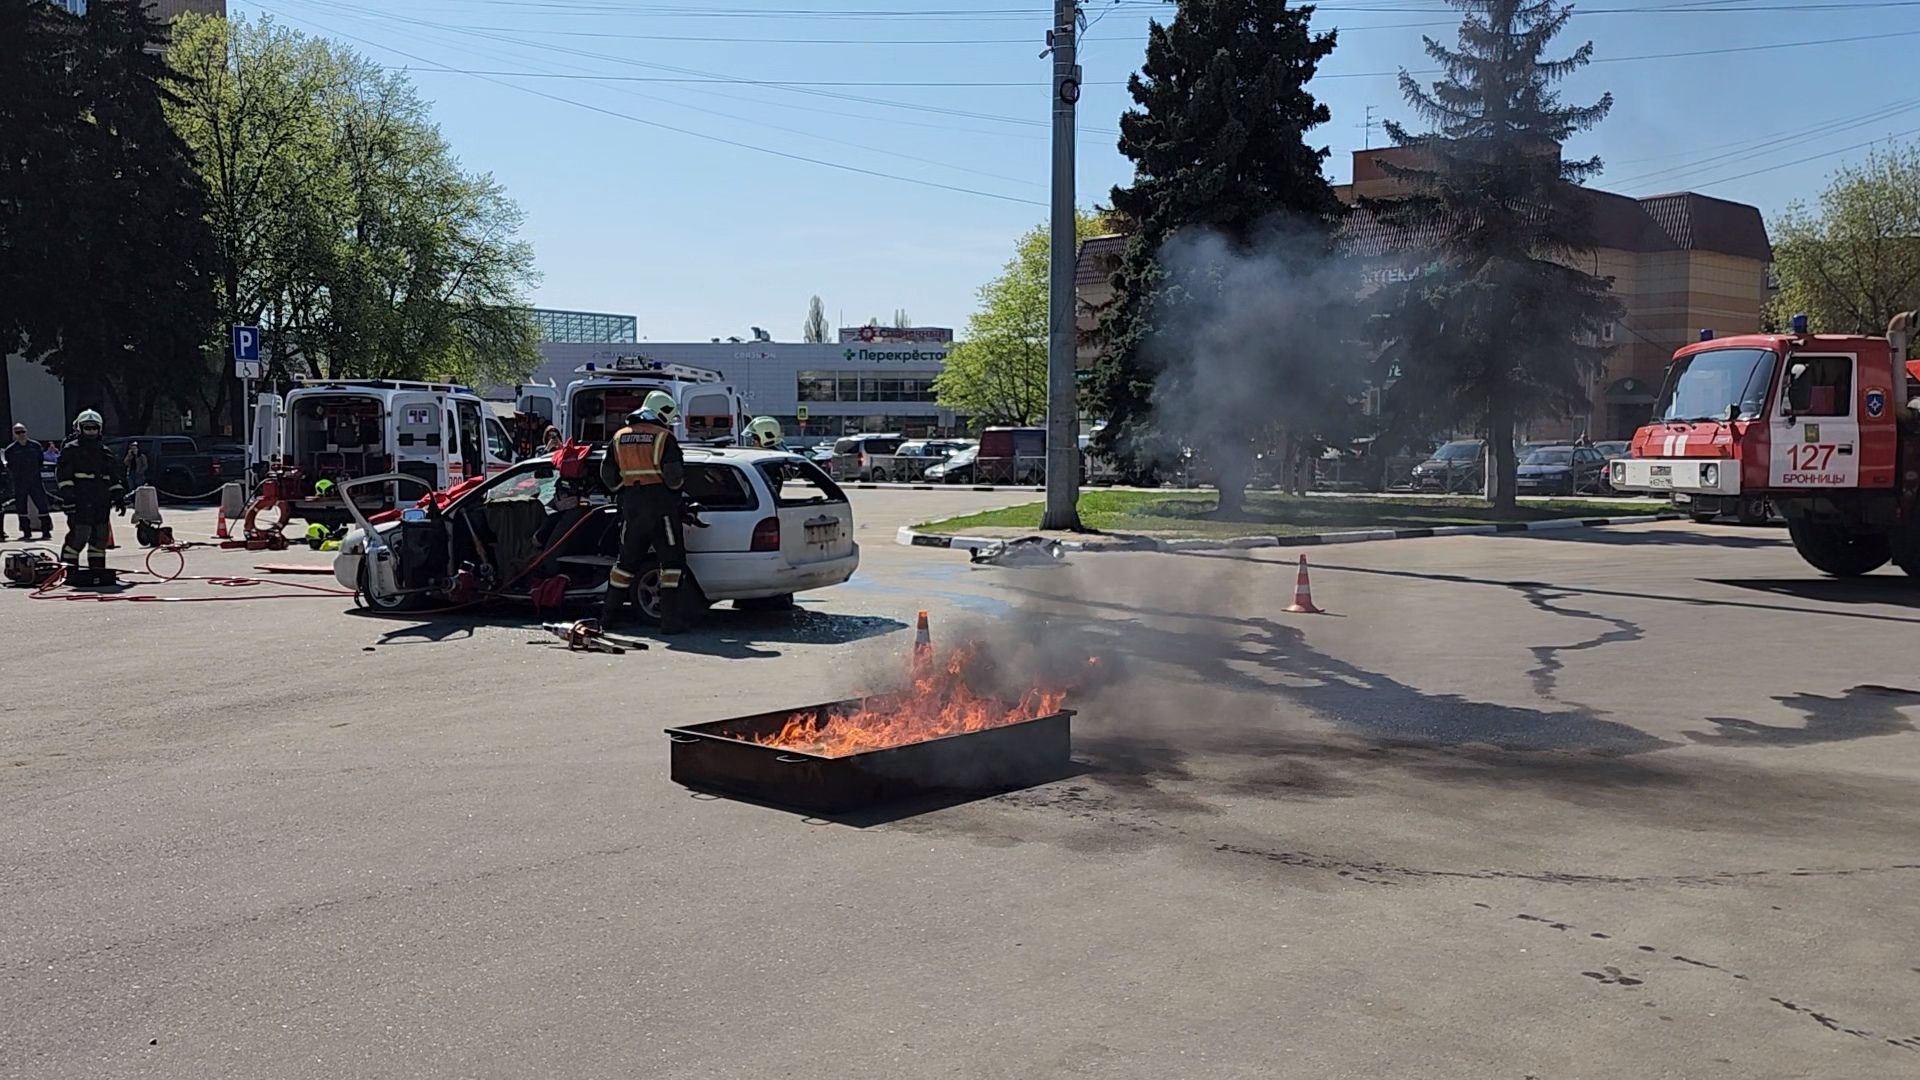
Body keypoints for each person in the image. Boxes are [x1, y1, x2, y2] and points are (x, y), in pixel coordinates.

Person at [598, 391, 689, 633]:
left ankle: (607, 618)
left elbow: (607, 474)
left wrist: (624, 490)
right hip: (661, 507)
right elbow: (674, 477)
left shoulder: (619, 437)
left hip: (632, 507)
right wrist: (675, 492)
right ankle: (670, 622)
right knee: (671, 564)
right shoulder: (663, 437)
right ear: (662, 413)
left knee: (624, 564)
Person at [56, 410, 126, 578]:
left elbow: (113, 477)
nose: (91, 431)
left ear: (99, 429)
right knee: (79, 536)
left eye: (94, 428)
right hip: (80, 500)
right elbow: (64, 477)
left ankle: (97, 571)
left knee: (100, 538)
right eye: (87, 428)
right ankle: (69, 572)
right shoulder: (71, 450)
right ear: (80, 429)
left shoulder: (105, 452)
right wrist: (69, 498)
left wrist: (119, 497)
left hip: (101, 501)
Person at [5, 423, 55, 541]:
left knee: (42, 506)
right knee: (21, 508)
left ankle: (46, 531)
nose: (21, 434)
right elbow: (10, 466)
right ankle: (26, 532)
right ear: (14, 434)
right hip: (20, 482)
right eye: (18, 432)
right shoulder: (11, 450)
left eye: (23, 431)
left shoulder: (35, 446)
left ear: (26, 432)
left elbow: (40, 461)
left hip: (35, 481)